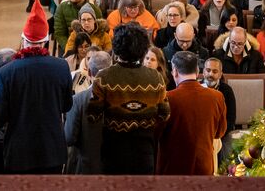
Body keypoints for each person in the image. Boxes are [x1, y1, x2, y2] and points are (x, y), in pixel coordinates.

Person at [0, 0, 72, 174]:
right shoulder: (61, 66)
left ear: (23, 40)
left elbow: (0, 115)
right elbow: (67, 105)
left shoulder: (7, 72)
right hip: (52, 149)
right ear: (45, 41)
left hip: (20, 150)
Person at [87, 24, 170, 174]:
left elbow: (93, 115)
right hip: (145, 149)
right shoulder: (156, 77)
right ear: (143, 49)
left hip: (113, 149)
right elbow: (165, 114)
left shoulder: (103, 77)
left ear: (117, 47)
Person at [156, 51, 227, 175]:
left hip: (172, 170)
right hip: (203, 167)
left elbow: (156, 133)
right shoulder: (217, 97)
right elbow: (219, 132)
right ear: (198, 71)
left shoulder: (167, 98)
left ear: (175, 71)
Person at [63, 50, 111, 174]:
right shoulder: (121, 98)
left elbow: (69, 137)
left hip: (85, 167)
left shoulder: (78, 100)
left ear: (89, 72)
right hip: (114, 168)